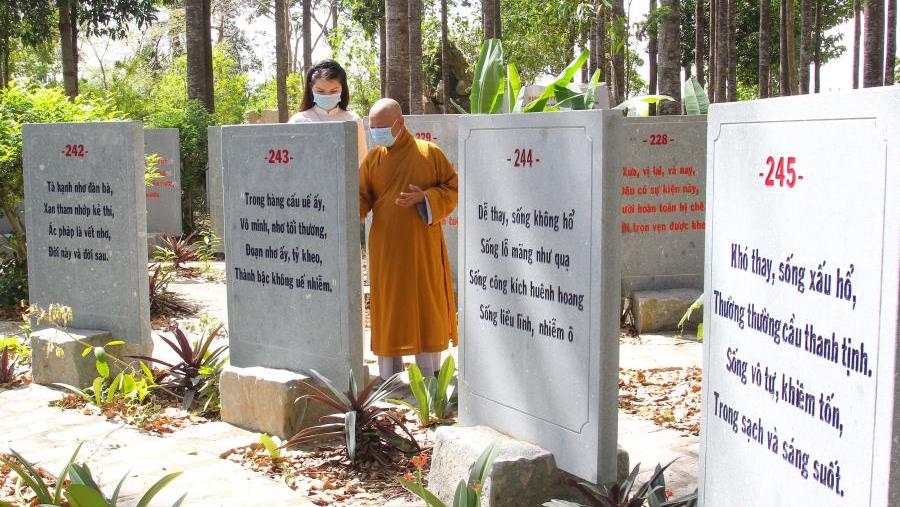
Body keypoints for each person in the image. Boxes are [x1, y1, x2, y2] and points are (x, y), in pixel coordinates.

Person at [359, 98, 458, 379]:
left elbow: (452, 188)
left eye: (381, 127)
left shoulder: (429, 153)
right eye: (373, 127)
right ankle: (389, 375)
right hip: (386, 248)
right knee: (389, 305)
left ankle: (431, 375)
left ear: (399, 123)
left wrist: (425, 197)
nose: (376, 132)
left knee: (425, 303)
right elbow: (361, 195)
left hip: (421, 246)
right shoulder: (373, 158)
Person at [289, 59, 366, 163]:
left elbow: (362, 160)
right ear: (311, 89)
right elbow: (291, 161)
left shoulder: (353, 120)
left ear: (342, 89)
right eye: (320, 91)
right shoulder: (298, 121)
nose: (327, 95)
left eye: (333, 91)